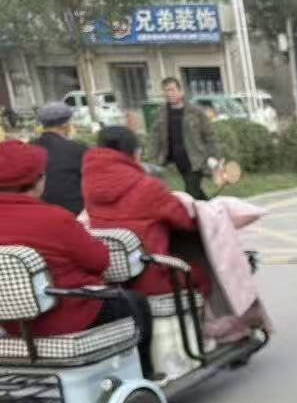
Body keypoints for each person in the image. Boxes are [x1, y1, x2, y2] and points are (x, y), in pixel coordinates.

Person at [0, 139, 153, 374]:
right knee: (135, 302)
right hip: (68, 318)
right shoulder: (54, 218)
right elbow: (100, 261)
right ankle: (145, 373)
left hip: (12, 325)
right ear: (38, 181)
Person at [84, 126, 209, 298]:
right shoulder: (148, 187)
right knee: (202, 273)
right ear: (135, 153)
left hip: (113, 282)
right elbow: (186, 222)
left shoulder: (89, 188)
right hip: (154, 278)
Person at [147, 77, 219, 200]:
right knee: (197, 194)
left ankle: (203, 209)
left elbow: (210, 136)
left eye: (172, 90)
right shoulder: (161, 113)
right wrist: (152, 158)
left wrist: (214, 157)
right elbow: (155, 137)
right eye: (166, 91)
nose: (169, 94)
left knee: (190, 194)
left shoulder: (196, 112)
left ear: (181, 91)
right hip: (175, 162)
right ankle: (212, 208)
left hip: (196, 160)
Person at [31, 101, 87, 214]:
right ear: (65, 124)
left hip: (38, 210)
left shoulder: (29, 148)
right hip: (73, 212)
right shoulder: (77, 149)